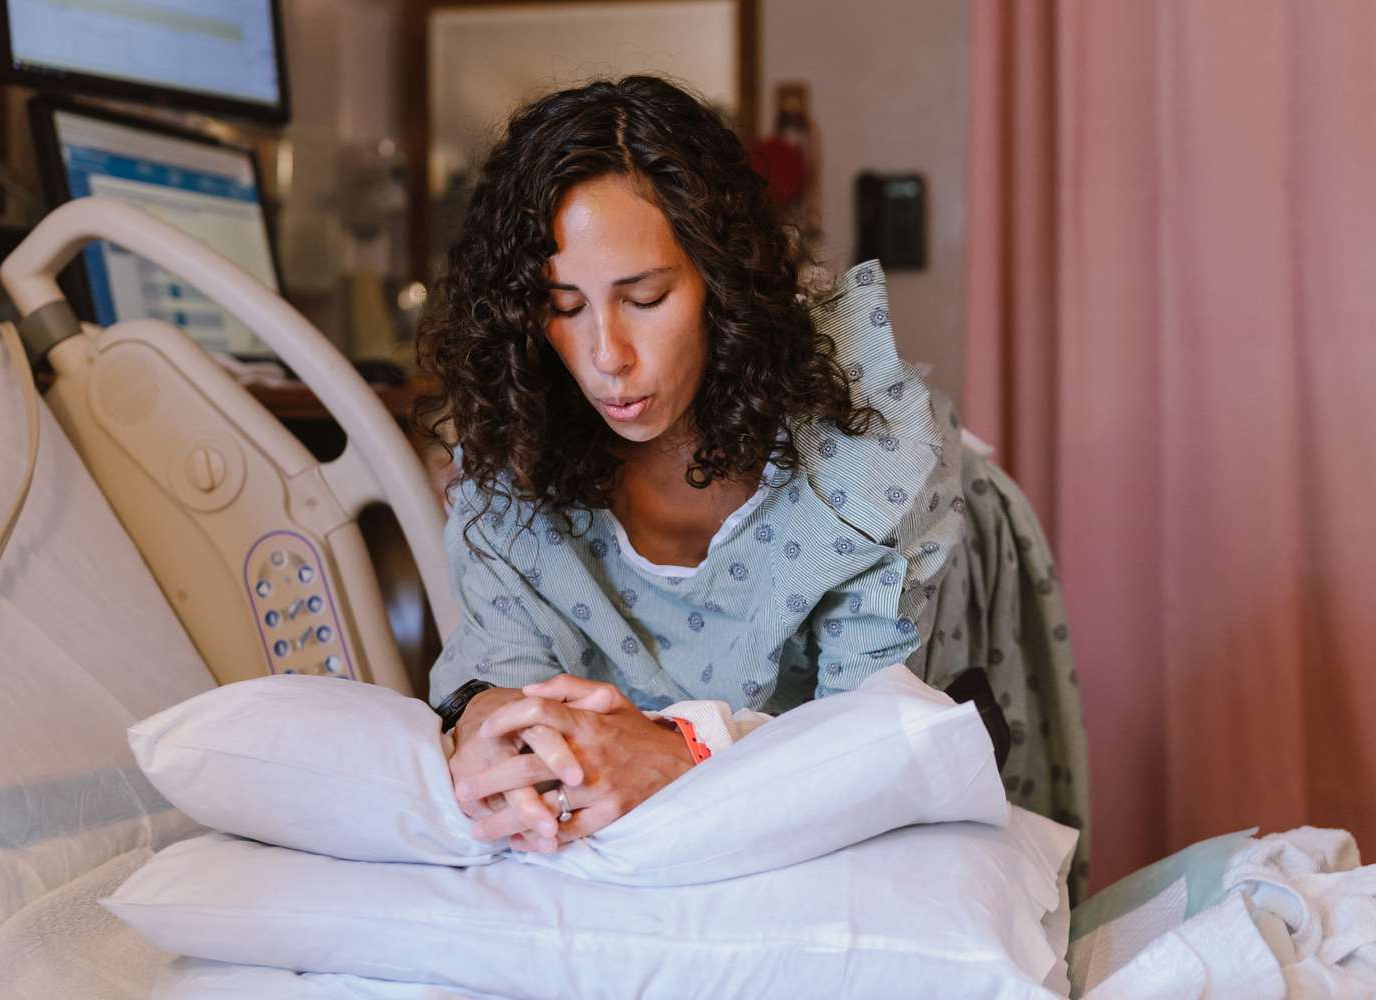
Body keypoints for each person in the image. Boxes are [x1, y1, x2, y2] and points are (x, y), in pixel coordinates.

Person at [415, 77, 1089, 887]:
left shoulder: (866, 464)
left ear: (720, 286)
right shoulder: (513, 473)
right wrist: (489, 719)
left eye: (646, 298)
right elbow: (504, 669)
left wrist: (685, 751)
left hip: (923, 646)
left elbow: (882, 750)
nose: (606, 356)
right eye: (563, 306)